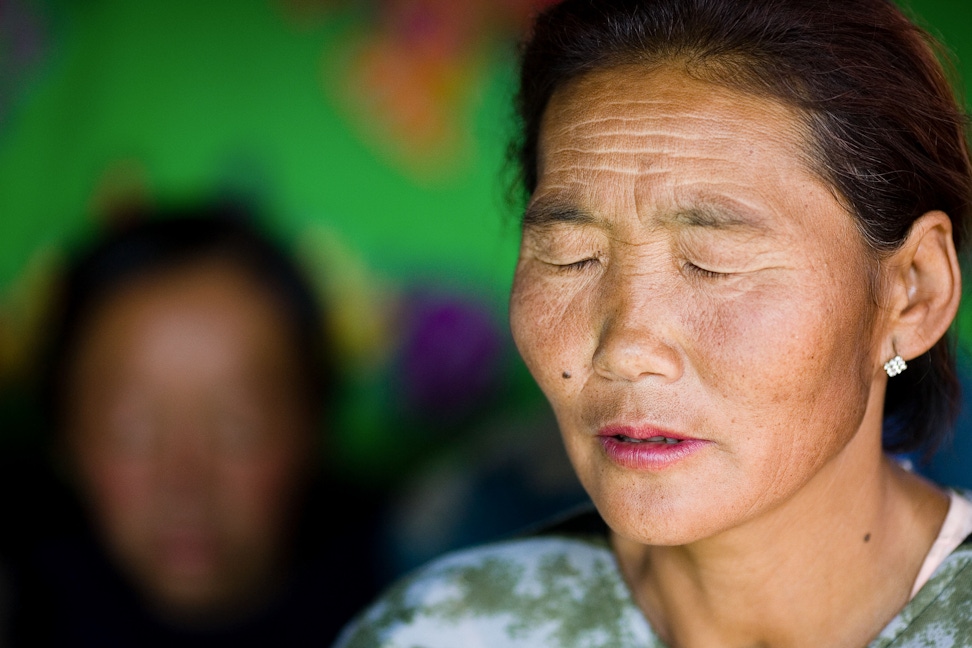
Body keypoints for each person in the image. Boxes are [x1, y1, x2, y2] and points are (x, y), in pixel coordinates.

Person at [335, 0, 972, 645]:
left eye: (712, 262)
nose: (627, 347)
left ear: (912, 293)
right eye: (572, 257)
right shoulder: (444, 630)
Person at [6, 205, 379, 646]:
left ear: (314, 424)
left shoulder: (410, 600)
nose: (185, 481)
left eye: (238, 428)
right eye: (133, 429)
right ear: (63, 435)